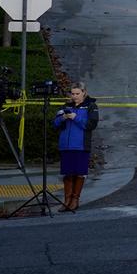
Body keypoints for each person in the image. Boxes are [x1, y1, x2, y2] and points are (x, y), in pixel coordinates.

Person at [53, 82, 99, 211]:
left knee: (79, 173)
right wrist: (63, 117)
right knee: (67, 173)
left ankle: (75, 200)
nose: (74, 96)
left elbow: (91, 125)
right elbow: (55, 124)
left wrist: (75, 117)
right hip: (66, 146)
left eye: (77, 93)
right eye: (72, 94)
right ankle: (67, 200)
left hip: (81, 145)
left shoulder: (91, 106)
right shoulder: (66, 106)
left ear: (84, 92)